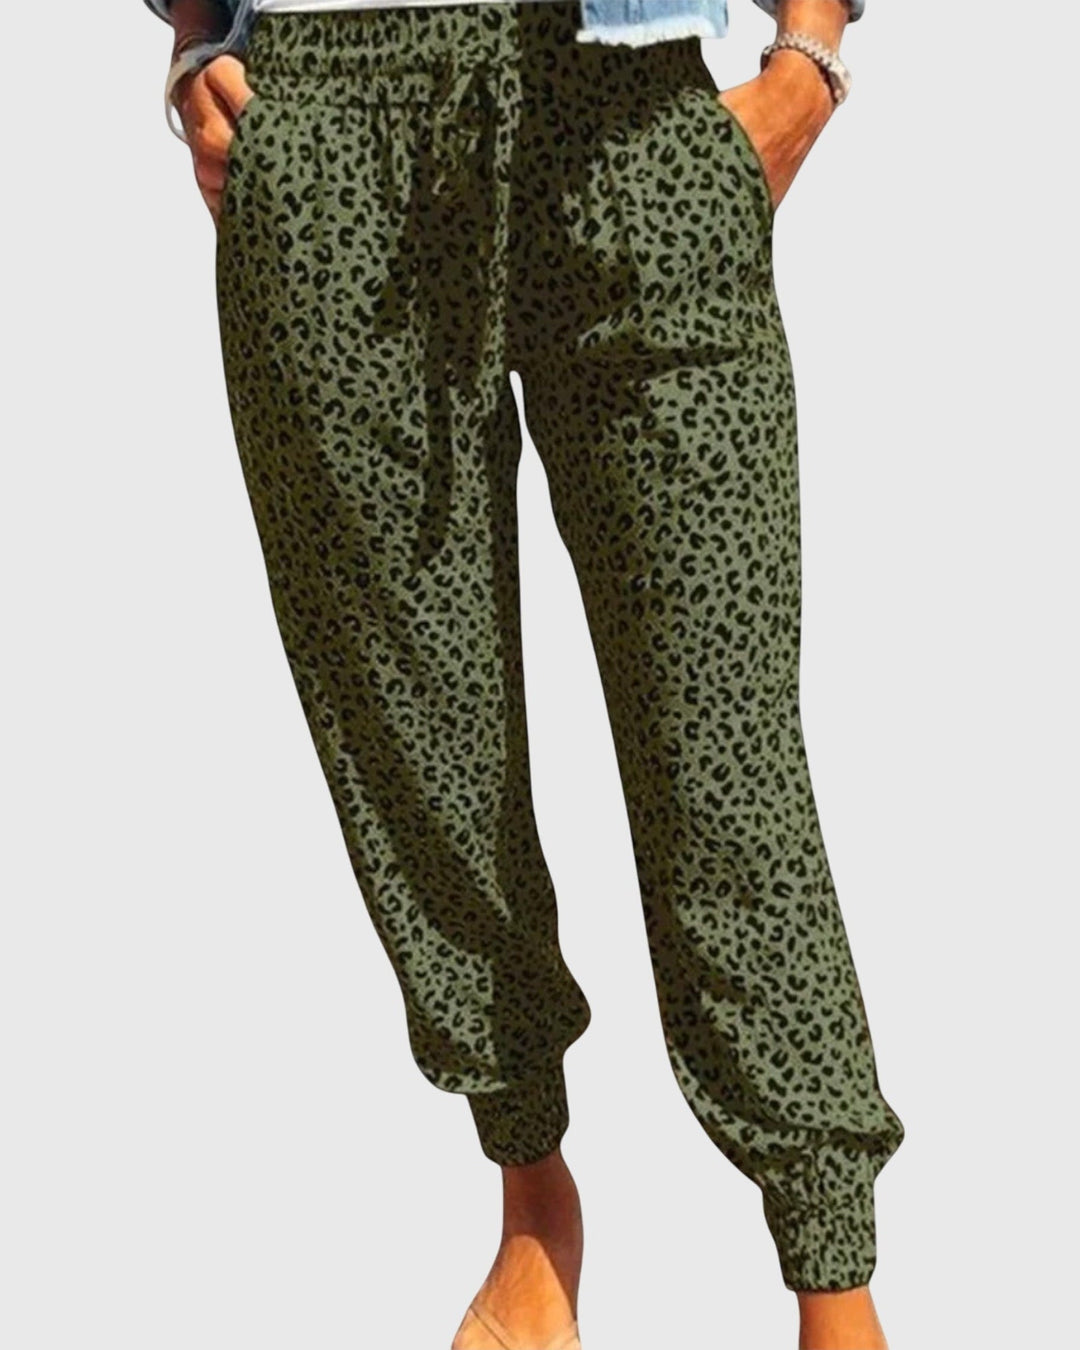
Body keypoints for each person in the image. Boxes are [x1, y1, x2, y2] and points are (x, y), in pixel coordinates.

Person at [142, 1, 905, 1346]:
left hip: (623, 110)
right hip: (324, 122)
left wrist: (811, 58)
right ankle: (534, 1204)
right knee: (417, 737)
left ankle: (834, 1281)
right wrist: (195, 39)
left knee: (720, 749)